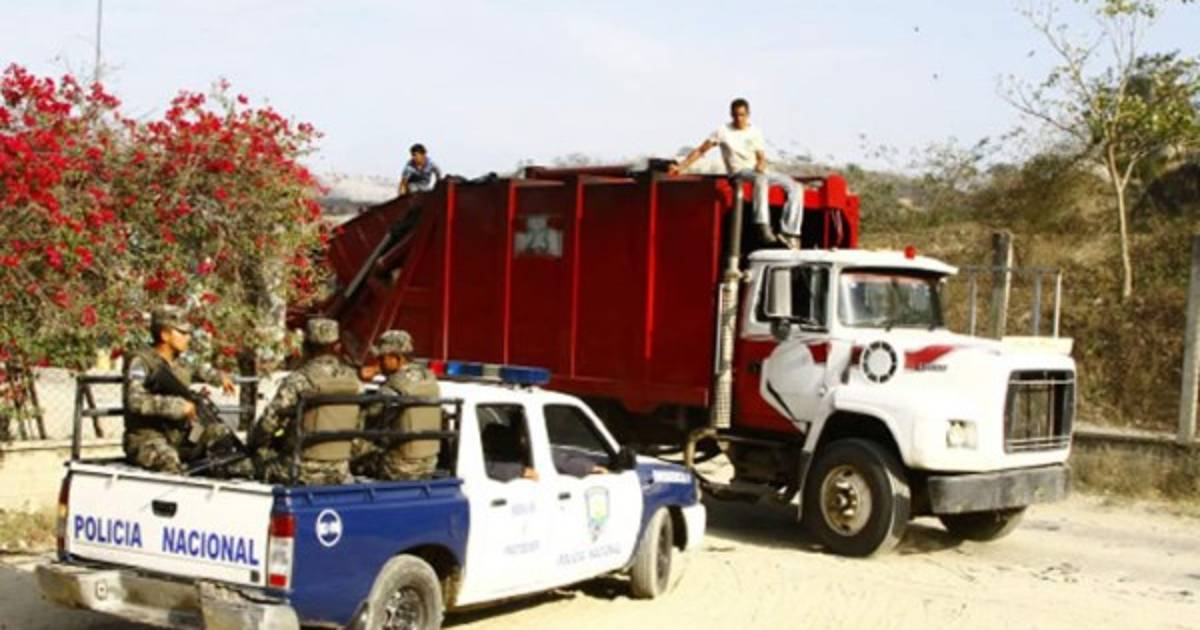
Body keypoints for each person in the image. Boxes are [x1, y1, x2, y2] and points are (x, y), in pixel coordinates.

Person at [122, 305, 247, 476]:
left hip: (178, 436)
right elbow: (135, 401)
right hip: (147, 438)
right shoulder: (141, 362)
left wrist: (220, 378)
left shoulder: (181, 362)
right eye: (182, 333)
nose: (188, 337)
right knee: (169, 462)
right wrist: (179, 407)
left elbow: (202, 370)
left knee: (220, 435)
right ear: (165, 335)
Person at [670, 98, 804, 248]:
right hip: (739, 172)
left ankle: (790, 232)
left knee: (795, 186)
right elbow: (701, 150)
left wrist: (760, 163)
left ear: (748, 114)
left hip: (756, 171)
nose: (739, 118)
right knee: (761, 179)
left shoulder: (755, 132)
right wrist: (681, 166)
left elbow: (760, 156)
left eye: (742, 115)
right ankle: (762, 225)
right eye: (735, 115)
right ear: (731, 114)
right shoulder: (722, 131)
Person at [250, 318, 362, 485]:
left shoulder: (300, 380)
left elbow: (268, 424)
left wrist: (255, 443)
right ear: (337, 346)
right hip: (341, 470)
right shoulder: (354, 380)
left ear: (305, 347)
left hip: (301, 471)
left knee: (248, 462)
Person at [355, 330, 442, 480]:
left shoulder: (395, 384)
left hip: (399, 467)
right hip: (428, 463)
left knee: (352, 443)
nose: (378, 363)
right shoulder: (429, 376)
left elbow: (369, 417)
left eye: (382, 358)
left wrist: (358, 381)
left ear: (397, 358)